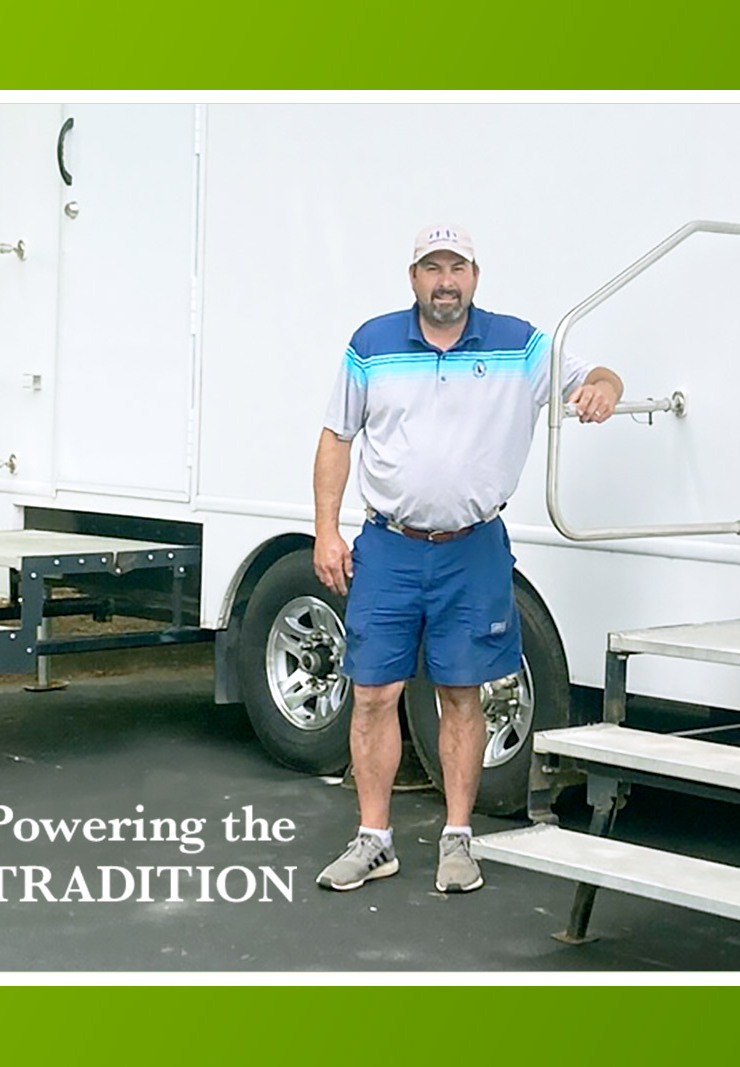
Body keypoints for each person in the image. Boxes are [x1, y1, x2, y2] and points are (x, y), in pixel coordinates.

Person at [312, 224, 623, 893]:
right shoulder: (372, 344)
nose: (445, 280)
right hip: (388, 547)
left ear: (475, 277)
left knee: (460, 693)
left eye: (457, 267)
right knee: (372, 695)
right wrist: (325, 530)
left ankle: (458, 839)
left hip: (473, 548)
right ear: (413, 276)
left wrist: (606, 389)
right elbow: (337, 436)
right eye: (432, 267)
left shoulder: (519, 344)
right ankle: (374, 839)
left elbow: (594, 373)